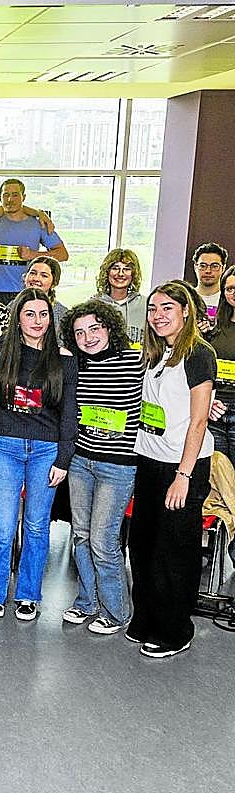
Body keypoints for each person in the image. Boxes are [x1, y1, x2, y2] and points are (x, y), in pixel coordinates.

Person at [129, 281, 216, 658]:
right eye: (152, 309)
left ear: (185, 311)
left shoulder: (198, 354)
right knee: (143, 545)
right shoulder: (156, 353)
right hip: (149, 458)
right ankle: (146, 619)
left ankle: (176, 631)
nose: (158, 315)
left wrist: (183, 476)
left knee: (174, 551)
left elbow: (198, 421)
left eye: (167, 308)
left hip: (183, 466)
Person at [0, 288, 77, 621]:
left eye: (43, 314)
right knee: (3, 527)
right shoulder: (1, 355)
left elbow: (69, 413)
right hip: (4, 446)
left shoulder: (64, 360)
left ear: (51, 319)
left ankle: (28, 595)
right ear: (17, 318)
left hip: (46, 452)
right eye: (29, 314)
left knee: (37, 527)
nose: (37, 321)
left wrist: (63, 460)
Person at [58, 300, 143, 636]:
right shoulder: (75, 365)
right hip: (81, 462)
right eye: (79, 332)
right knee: (80, 535)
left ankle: (116, 610)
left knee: (103, 541)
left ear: (109, 327)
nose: (88, 337)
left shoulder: (136, 359)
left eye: (94, 328)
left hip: (117, 466)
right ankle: (87, 601)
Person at [0, 179, 68, 301]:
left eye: (15, 195)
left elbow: (63, 254)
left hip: (28, 289)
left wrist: (33, 255)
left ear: (24, 197)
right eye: (6, 195)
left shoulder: (39, 224)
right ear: (0, 198)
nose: (10, 199)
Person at [209, 267, 235, 462]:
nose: (234, 293)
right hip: (215, 408)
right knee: (218, 473)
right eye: (229, 289)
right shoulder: (215, 327)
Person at [94, 248, 146, 345]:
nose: (120, 274)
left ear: (134, 273)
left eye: (127, 269)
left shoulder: (146, 305)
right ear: (107, 272)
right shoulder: (93, 306)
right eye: (115, 268)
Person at [22, 256, 69, 325]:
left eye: (44, 276)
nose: (36, 278)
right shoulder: (12, 306)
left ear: (54, 282)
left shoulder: (62, 314)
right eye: (33, 273)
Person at [191, 242, 227, 330]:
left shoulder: (229, 299)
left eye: (214, 266)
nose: (208, 271)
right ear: (195, 267)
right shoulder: (186, 297)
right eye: (203, 266)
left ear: (223, 268)